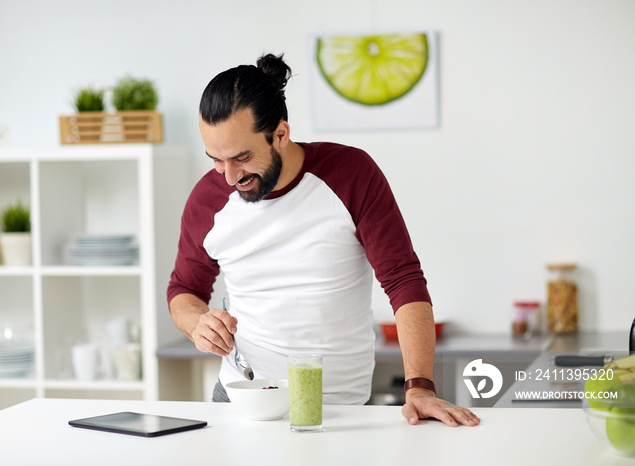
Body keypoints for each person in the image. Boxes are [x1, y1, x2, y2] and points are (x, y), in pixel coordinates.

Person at [167, 53, 480, 427]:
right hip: (242, 399)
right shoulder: (207, 199)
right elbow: (183, 290)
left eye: (242, 157)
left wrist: (420, 387)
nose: (230, 176)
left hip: (338, 407)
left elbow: (403, 280)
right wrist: (198, 323)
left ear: (280, 134)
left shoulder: (350, 174)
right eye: (216, 160)